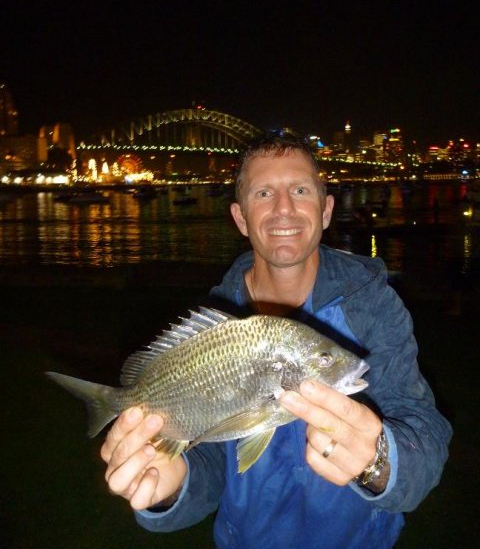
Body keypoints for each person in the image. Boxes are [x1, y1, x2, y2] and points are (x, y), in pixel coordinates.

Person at [101, 132, 452, 549]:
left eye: (300, 190)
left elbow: (423, 427)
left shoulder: (371, 304)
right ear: (240, 218)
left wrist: (380, 460)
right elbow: (211, 458)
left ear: (325, 211)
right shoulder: (214, 328)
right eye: (264, 192)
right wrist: (173, 484)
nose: (284, 208)